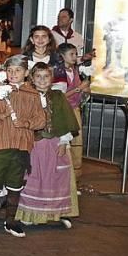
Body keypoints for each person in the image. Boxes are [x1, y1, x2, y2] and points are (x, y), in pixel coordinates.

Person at [0, 55, 47, 236]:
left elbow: (41, 121)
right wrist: (3, 116)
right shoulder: (1, 93)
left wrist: (25, 123)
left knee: (15, 183)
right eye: (9, 70)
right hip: (0, 144)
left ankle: (10, 220)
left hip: (21, 145)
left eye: (17, 70)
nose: (13, 74)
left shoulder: (33, 95)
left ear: (26, 73)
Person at [14, 62, 79, 229]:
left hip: (54, 143)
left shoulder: (58, 96)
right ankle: (30, 213)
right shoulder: (26, 95)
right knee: (33, 176)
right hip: (34, 144)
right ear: (32, 78)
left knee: (56, 178)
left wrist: (64, 141)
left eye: (46, 76)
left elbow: (66, 119)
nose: (42, 80)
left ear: (51, 78)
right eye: (38, 76)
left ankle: (55, 213)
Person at [53, 42, 88, 181]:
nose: (75, 57)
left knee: (77, 142)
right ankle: (63, 176)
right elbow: (58, 95)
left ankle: (75, 177)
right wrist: (79, 88)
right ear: (62, 56)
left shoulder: (75, 70)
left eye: (75, 54)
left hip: (75, 108)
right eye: (71, 54)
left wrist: (85, 89)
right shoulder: (57, 72)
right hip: (63, 111)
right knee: (65, 142)